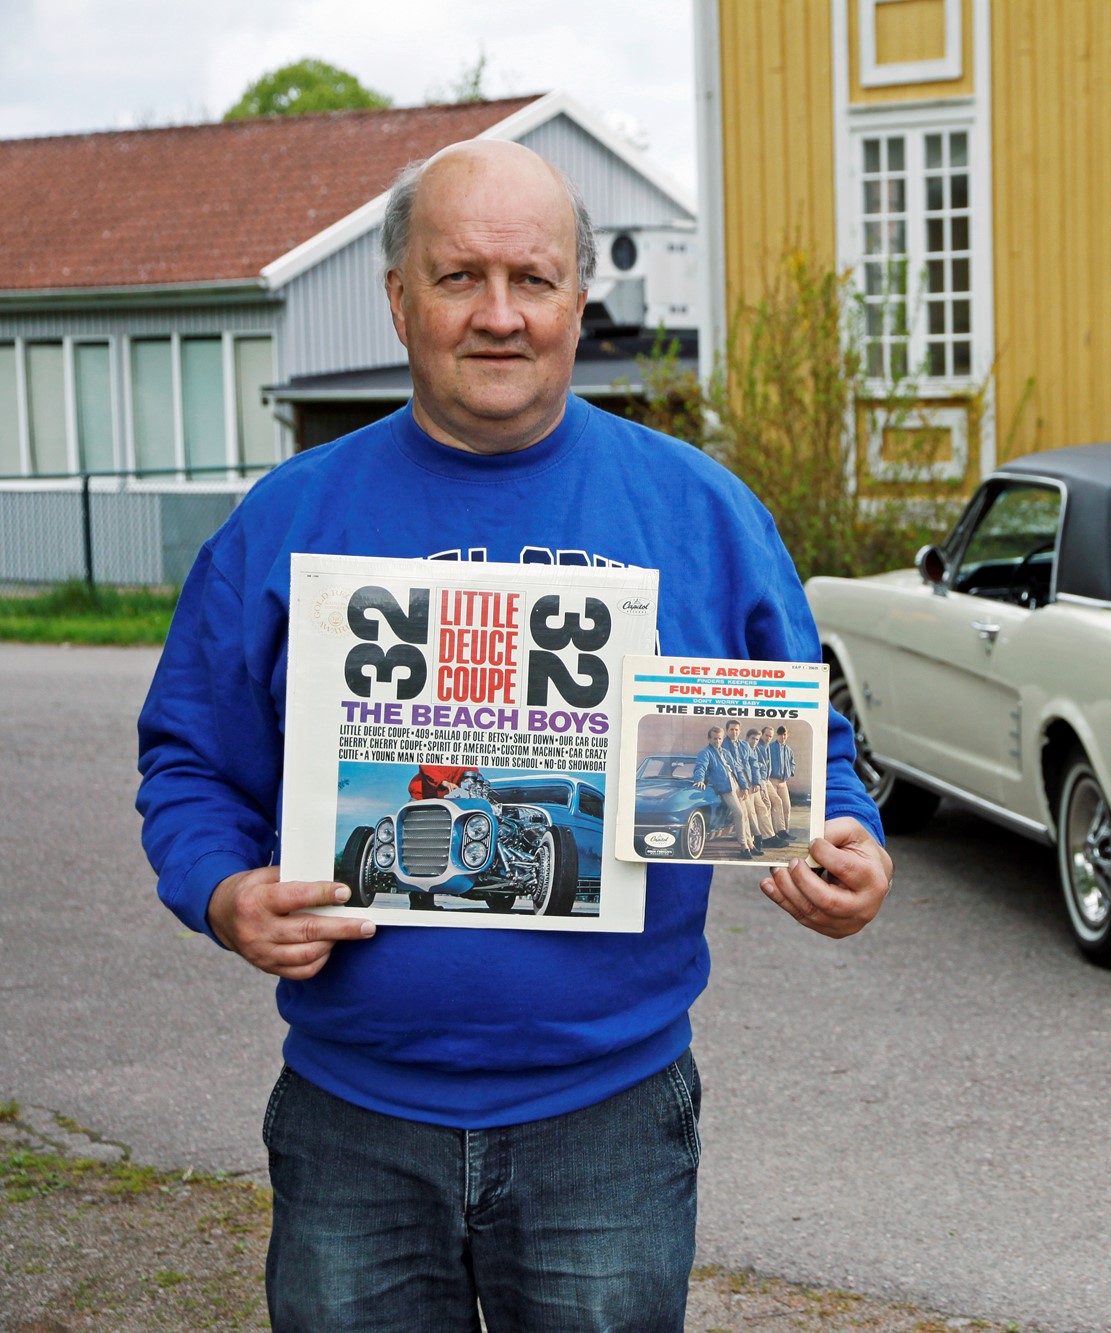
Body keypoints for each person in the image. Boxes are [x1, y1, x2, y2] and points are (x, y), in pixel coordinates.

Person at [134, 140, 891, 1333]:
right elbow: (188, 757)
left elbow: (805, 747)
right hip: (352, 1119)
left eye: (532, 279)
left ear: (578, 302)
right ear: (397, 298)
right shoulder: (289, 520)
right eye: (457, 277)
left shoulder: (698, 510)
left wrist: (844, 842)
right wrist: (223, 892)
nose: (498, 315)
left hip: (610, 1119)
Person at [691, 724, 759, 858]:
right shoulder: (705, 753)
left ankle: (751, 845)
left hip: (736, 784)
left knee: (745, 815)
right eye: (715, 738)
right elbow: (701, 767)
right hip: (725, 787)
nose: (718, 741)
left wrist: (744, 786)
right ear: (709, 739)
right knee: (739, 813)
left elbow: (738, 769)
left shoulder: (726, 752)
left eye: (720, 739)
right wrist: (699, 779)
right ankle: (743, 847)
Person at [720, 718, 776, 850]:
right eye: (731, 729)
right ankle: (751, 842)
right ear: (727, 730)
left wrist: (757, 782)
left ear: (740, 731)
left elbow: (754, 763)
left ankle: (756, 839)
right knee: (745, 814)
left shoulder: (744, 745)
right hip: (734, 784)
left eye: (736, 730)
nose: (734, 732)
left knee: (752, 812)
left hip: (749, 783)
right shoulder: (722, 746)